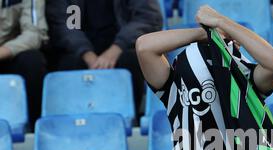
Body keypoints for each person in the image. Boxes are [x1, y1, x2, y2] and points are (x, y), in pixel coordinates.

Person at [137, 5, 273, 150]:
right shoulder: (174, 87)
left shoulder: (247, 83)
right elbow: (144, 46)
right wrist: (205, 33)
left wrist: (221, 22)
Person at [46, 0, 164, 116]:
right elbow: (64, 25)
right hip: (79, 51)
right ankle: (73, 119)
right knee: (68, 63)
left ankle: (129, 118)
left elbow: (147, 18)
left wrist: (116, 48)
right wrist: (87, 54)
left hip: (123, 47)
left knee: (132, 60)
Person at [0, 0, 48, 129]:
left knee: (33, 61)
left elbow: (34, 34)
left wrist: (4, 51)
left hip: (7, 53)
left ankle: (34, 129)